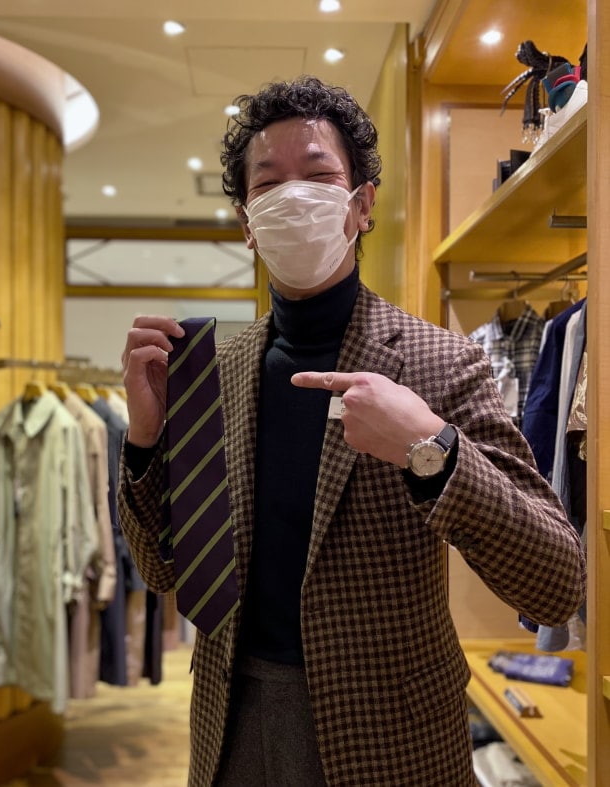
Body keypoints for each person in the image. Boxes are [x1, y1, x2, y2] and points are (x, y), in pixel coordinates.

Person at [117, 76, 586, 786]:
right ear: (247, 222)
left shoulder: (440, 361)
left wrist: (431, 451)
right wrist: (146, 440)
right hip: (230, 726)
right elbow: (163, 571)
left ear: (362, 205)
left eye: (318, 176)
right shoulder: (218, 369)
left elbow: (555, 583)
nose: (292, 197)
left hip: (389, 738)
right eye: (268, 184)